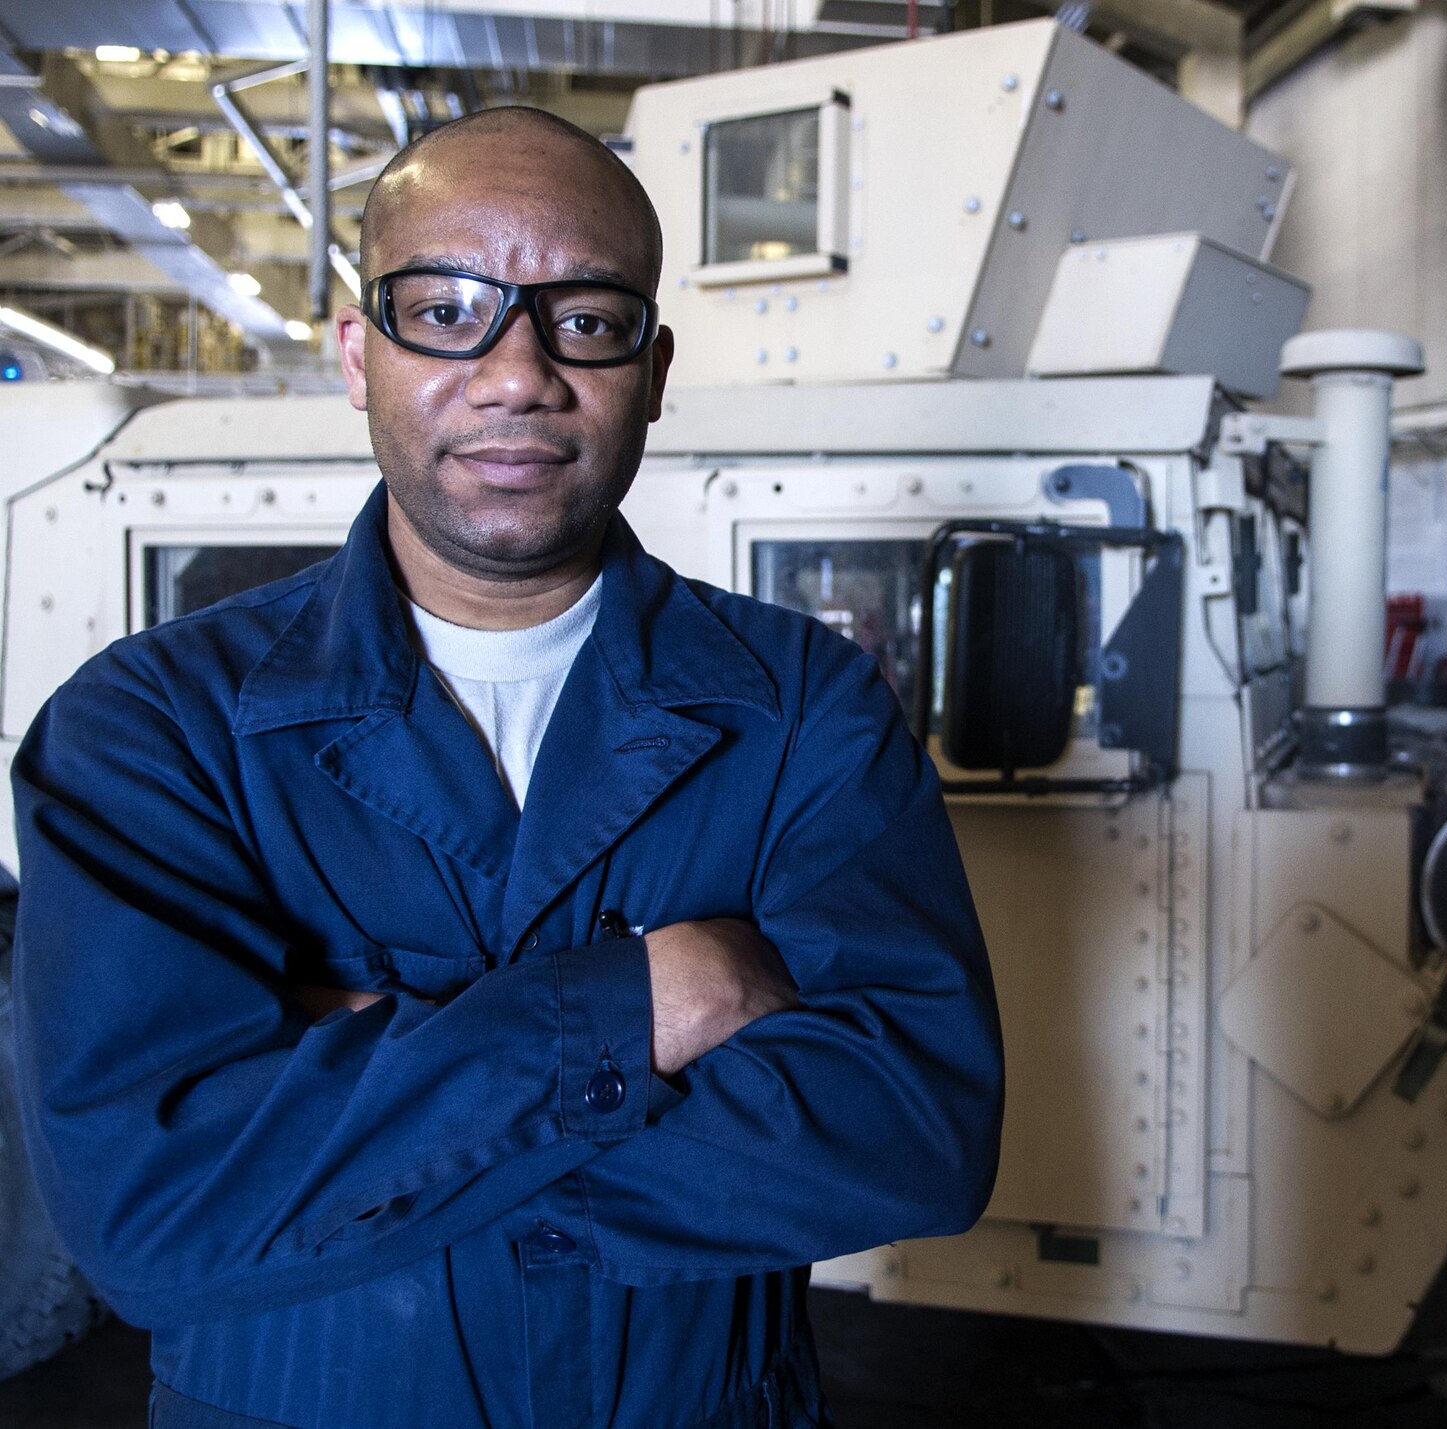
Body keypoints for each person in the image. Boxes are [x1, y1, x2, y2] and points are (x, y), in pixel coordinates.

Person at [10, 106, 1004, 1428]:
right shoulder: (152, 728)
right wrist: (656, 993)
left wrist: (358, 1133)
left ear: (651, 369)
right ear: (358, 354)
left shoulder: (804, 710)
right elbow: (149, 1211)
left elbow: (915, 1131)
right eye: (448, 308)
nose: (518, 372)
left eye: (583, 320)